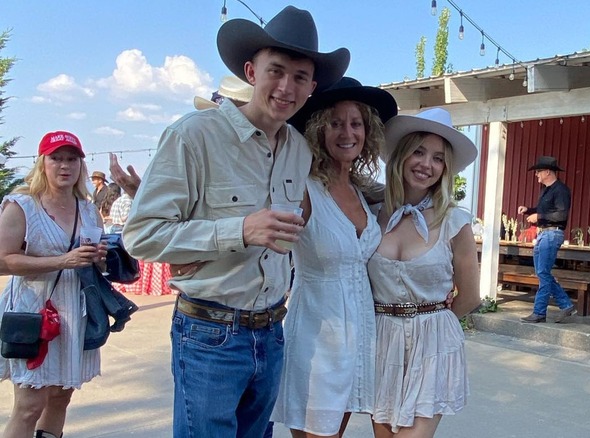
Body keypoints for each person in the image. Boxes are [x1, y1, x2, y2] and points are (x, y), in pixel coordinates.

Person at [122, 6, 349, 437]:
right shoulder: (193, 136)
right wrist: (239, 231)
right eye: (276, 71)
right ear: (251, 71)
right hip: (210, 333)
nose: (286, 87)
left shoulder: (299, 150)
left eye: (300, 77)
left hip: (272, 331)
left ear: (312, 86)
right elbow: (141, 235)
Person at [271, 77, 397, 437]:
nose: (347, 132)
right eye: (335, 122)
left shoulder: (361, 192)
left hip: (359, 338)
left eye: (355, 123)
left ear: (367, 131)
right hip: (317, 341)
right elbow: (266, 234)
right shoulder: (304, 189)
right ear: (317, 129)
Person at [367, 108, 481, 437]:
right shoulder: (371, 213)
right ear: (401, 155)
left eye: (438, 158)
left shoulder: (455, 222)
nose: (426, 165)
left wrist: (431, 319)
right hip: (382, 339)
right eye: (418, 151)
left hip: (432, 342)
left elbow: (470, 296)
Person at [0, 131, 107, 438]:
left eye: (72, 159)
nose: (64, 166)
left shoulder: (88, 210)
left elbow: (92, 260)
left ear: (81, 166)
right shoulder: (22, 205)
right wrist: (62, 260)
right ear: (42, 163)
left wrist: (99, 258)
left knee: (60, 397)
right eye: (56, 158)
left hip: (74, 312)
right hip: (33, 312)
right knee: (30, 405)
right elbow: (4, 260)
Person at [517, 156, 576, 323]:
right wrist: (529, 210)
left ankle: (539, 312)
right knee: (542, 272)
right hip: (543, 234)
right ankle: (565, 305)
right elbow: (543, 210)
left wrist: (539, 216)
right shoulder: (545, 190)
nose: (536, 175)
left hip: (552, 233)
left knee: (542, 272)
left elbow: (561, 214)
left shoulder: (561, 190)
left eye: (538, 171)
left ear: (547, 171)